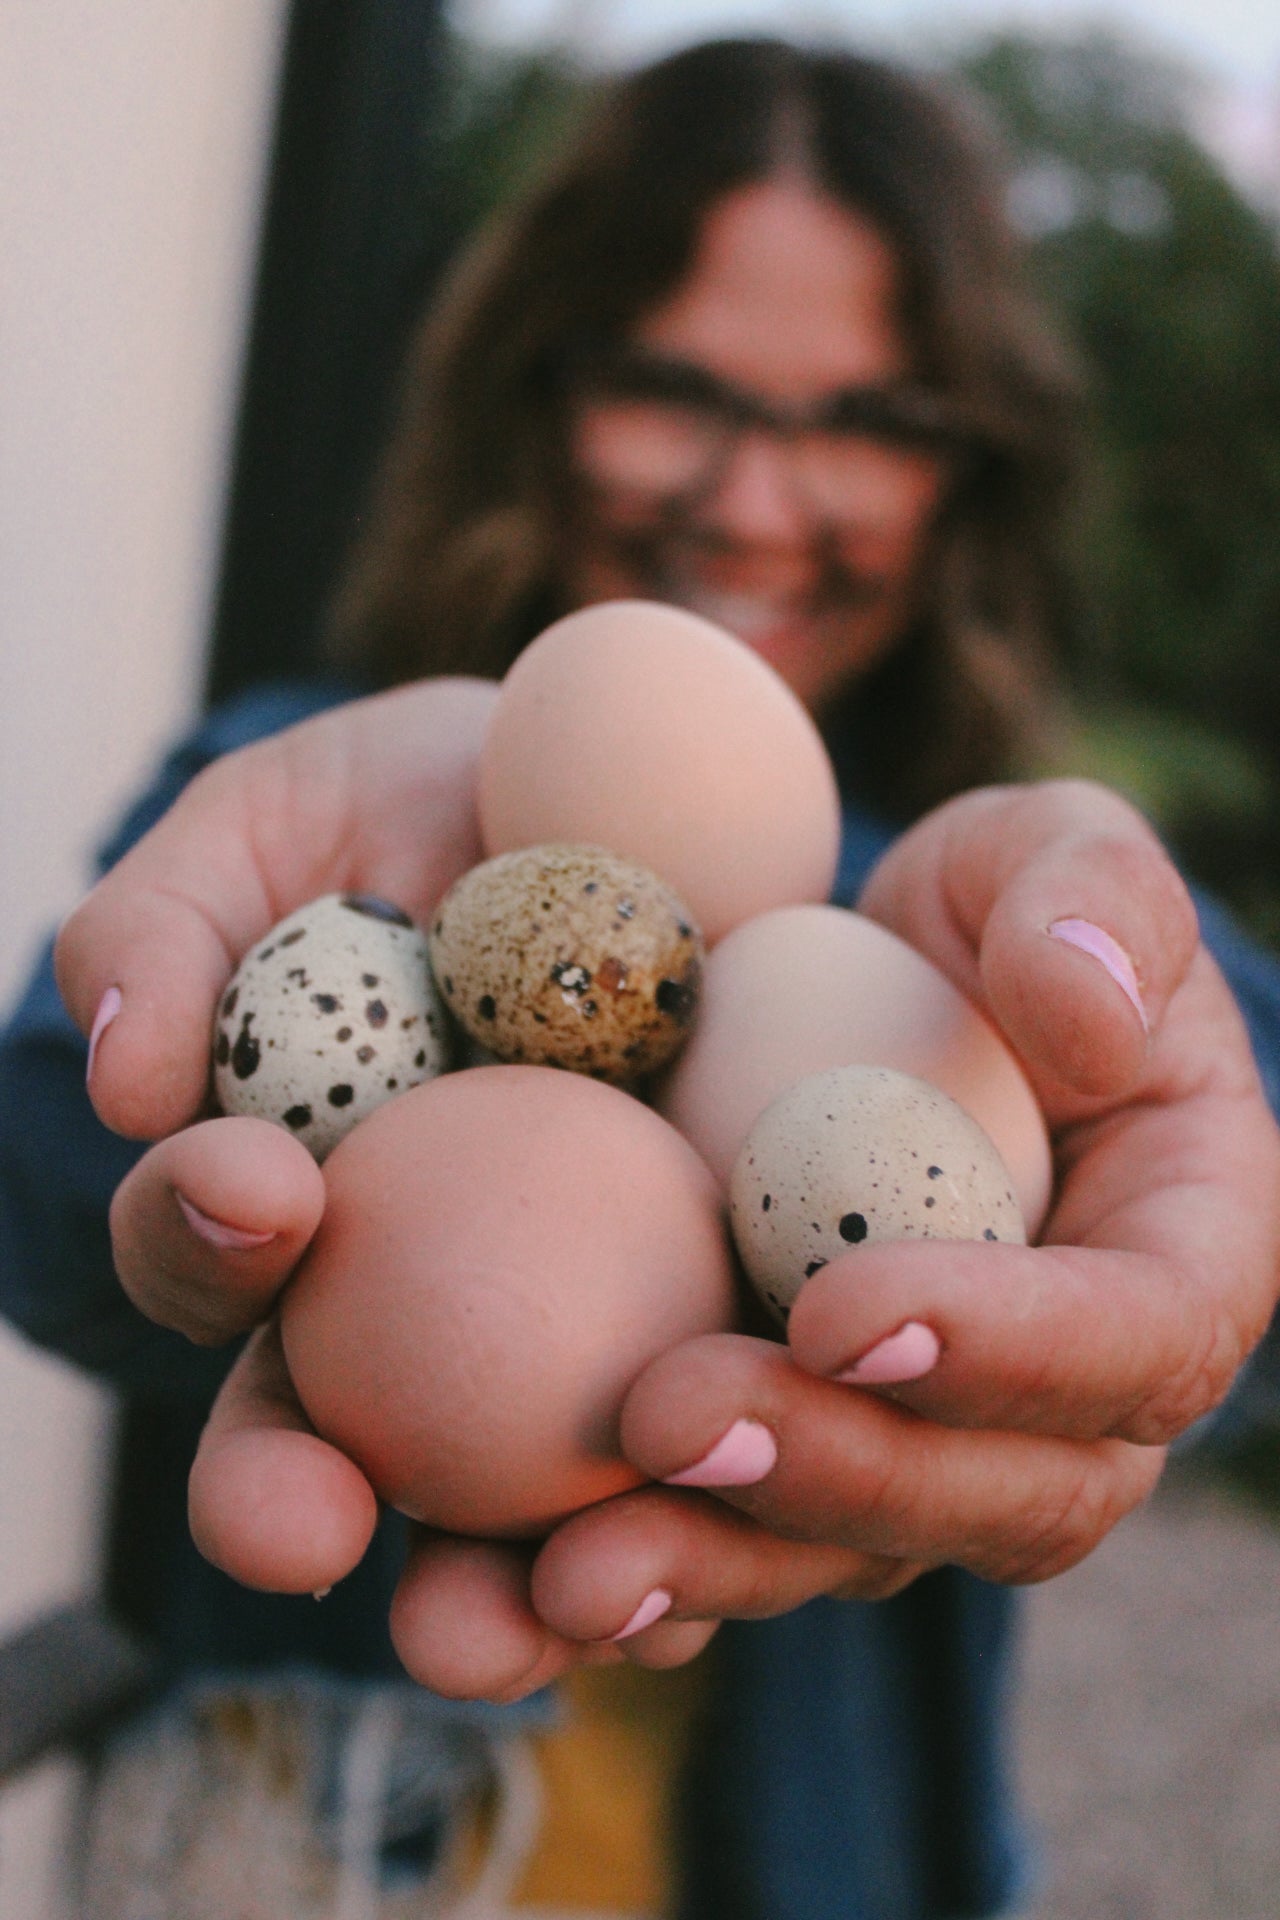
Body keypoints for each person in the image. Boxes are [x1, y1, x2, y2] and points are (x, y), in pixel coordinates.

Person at [5, 34, 1280, 1920]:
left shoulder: (991, 914)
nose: (757, 502)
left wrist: (1177, 1208)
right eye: (676, 389)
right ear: (539, 390)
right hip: (326, 1855)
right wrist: (149, 1119)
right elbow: (38, 1170)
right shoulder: (313, 792)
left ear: (969, 470)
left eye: (870, 417)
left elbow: (1232, 1157)